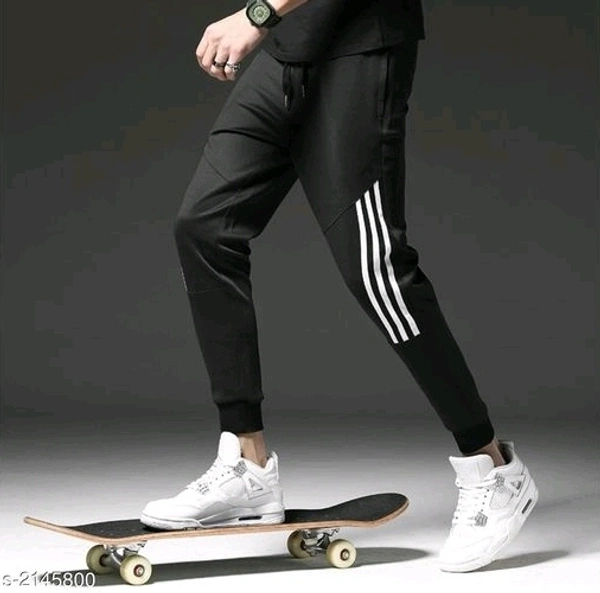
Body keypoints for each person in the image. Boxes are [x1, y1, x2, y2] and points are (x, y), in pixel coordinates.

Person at [140, 0, 538, 572]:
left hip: (360, 51)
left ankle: (494, 469)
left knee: (377, 273)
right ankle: (248, 465)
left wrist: (257, 14)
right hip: (290, 49)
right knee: (204, 228)